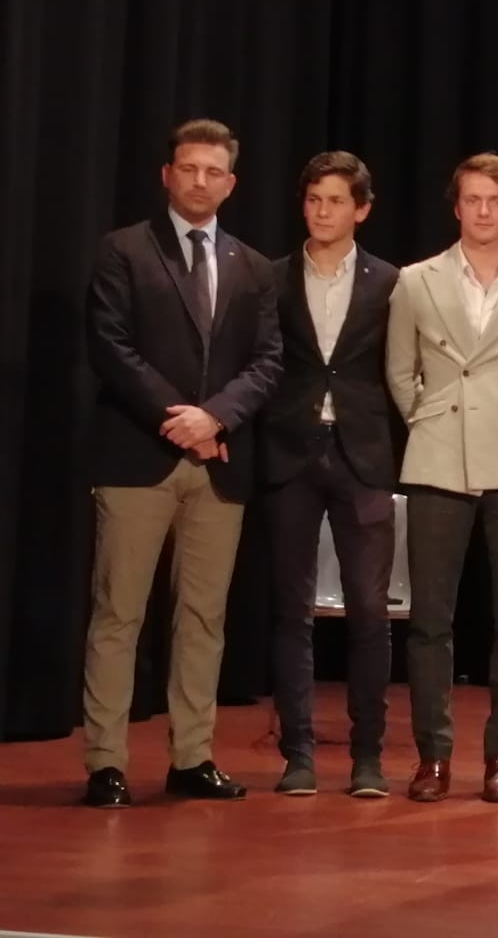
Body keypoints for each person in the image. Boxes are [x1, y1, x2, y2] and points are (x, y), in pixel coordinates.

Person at [81, 119, 283, 808]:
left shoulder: (253, 266)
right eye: (188, 168)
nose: (200, 181)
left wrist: (215, 418)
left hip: (219, 464)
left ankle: (192, 757)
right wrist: (182, 421)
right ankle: (105, 762)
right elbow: (111, 346)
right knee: (118, 614)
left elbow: (268, 362)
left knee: (203, 618)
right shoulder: (124, 250)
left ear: (231, 183)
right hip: (137, 456)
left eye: (213, 171)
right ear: (167, 175)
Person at [385, 153, 498, 805]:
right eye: (472, 199)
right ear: (456, 207)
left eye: (495, 201)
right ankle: (434, 756)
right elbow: (400, 372)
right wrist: (429, 421)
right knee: (430, 620)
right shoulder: (415, 280)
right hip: (437, 457)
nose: (483, 211)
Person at [260, 152, 400, 799]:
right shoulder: (270, 277)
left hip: (362, 455)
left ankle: (368, 756)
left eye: (337, 201)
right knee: (291, 609)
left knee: (370, 610)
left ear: (361, 209)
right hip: (290, 453)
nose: (323, 211)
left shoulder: (390, 282)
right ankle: (298, 755)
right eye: (314, 199)